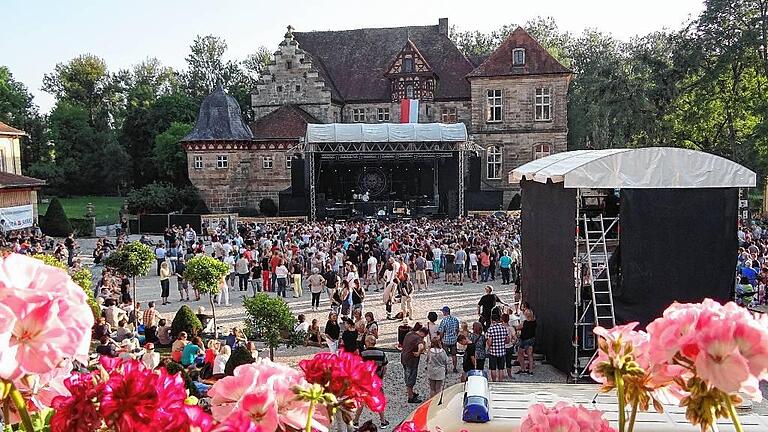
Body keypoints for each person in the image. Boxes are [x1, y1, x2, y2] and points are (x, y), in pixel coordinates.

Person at [353, 335, 389, 428]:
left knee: (361, 401)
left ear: (368, 342)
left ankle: (356, 421)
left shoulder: (363, 354)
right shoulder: (381, 353)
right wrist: (381, 378)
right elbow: (384, 367)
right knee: (379, 400)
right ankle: (383, 421)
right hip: (376, 381)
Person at [401, 324, 429, 403]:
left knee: (407, 375)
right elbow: (421, 346)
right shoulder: (418, 338)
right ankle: (411, 397)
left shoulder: (409, 333)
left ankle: (411, 392)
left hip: (404, 358)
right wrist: (418, 352)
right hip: (411, 361)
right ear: (423, 334)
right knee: (411, 378)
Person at [485, 313, 510, 382]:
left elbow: (490, 342)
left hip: (493, 352)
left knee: (493, 368)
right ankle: (500, 381)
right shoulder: (504, 328)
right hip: (502, 351)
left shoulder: (490, 329)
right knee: (501, 369)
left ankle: (494, 382)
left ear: (492, 320)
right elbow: (508, 340)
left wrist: (488, 345)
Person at [437, 306, 460, 373]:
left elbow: (441, 332)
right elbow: (457, 329)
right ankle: (455, 368)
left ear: (445, 312)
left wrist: (440, 339)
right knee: (454, 355)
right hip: (453, 340)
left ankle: (446, 369)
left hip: (446, 340)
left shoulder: (444, 321)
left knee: (445, 355)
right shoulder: (455, 319)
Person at [516, 307, 537, 375]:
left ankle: (523, 368)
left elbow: (518, 327)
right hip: (531, 339)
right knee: (530, 355)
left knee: (520, 354)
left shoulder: (524, 322)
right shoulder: (534, 322)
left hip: (524, 340)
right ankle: (530, 370)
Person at [501, 313, 518, 380]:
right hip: (509, 346)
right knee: (508, 361)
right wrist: (513, 343)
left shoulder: (500, 327)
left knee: (501, 361)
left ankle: (501, 375)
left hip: (501, 347)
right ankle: (509, 375)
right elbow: (515, 338)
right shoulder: (511, 328)